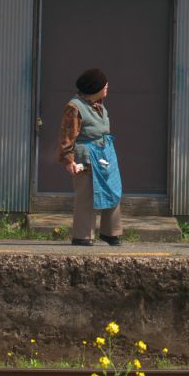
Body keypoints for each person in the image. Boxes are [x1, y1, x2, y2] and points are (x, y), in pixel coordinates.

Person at [59, 67, 122, 246]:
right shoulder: (75, 107)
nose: (107, 87)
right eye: (104, 85)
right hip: (86, 156)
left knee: (113, 189)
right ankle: (82, 235)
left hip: (105, 153)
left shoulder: (99, 104)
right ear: (95, 87)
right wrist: (68, 160)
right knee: (86, 194)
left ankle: (110, 232)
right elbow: (67, 135)